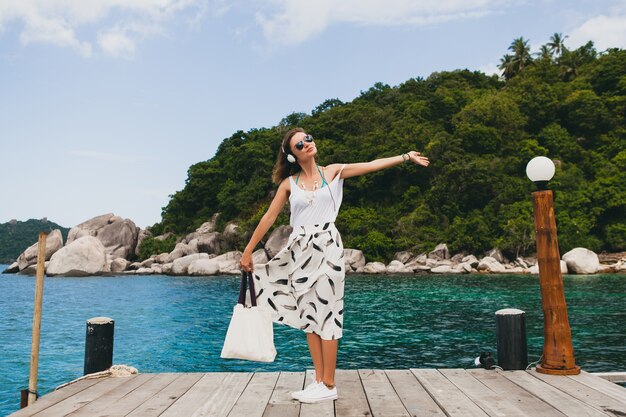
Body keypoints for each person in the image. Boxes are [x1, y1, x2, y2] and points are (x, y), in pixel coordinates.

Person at [239, 128, 430, 404]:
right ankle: (319, 380)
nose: (307, 144)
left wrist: (405, 156)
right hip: (300, 252)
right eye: (299, 144)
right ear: (292, 155)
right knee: (309, 316)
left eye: (308, 139)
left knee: (328, 313)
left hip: (328, 247)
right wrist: (248, 250)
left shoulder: (334, 172)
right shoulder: (288, 184)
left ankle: (329, 384)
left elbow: (372, 165)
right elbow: (268, 217)